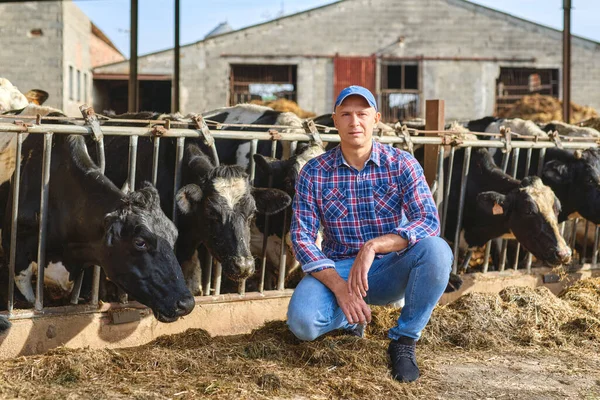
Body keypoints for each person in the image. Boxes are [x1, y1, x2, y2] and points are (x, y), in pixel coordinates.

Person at [287, 85, 452, 383]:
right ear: (334, 121)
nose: (355, 122)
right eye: (346, 115)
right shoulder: (314, 171)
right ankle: (351, 320)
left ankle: (404, 340)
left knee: (437, 250)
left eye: (362, 114)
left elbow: (427, 221)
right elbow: (301, 237)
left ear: (376, 119)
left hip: (390, 268)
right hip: (338, 268)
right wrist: (340, 288)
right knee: (303, 325)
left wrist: (374, 246)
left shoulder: (401, 163)